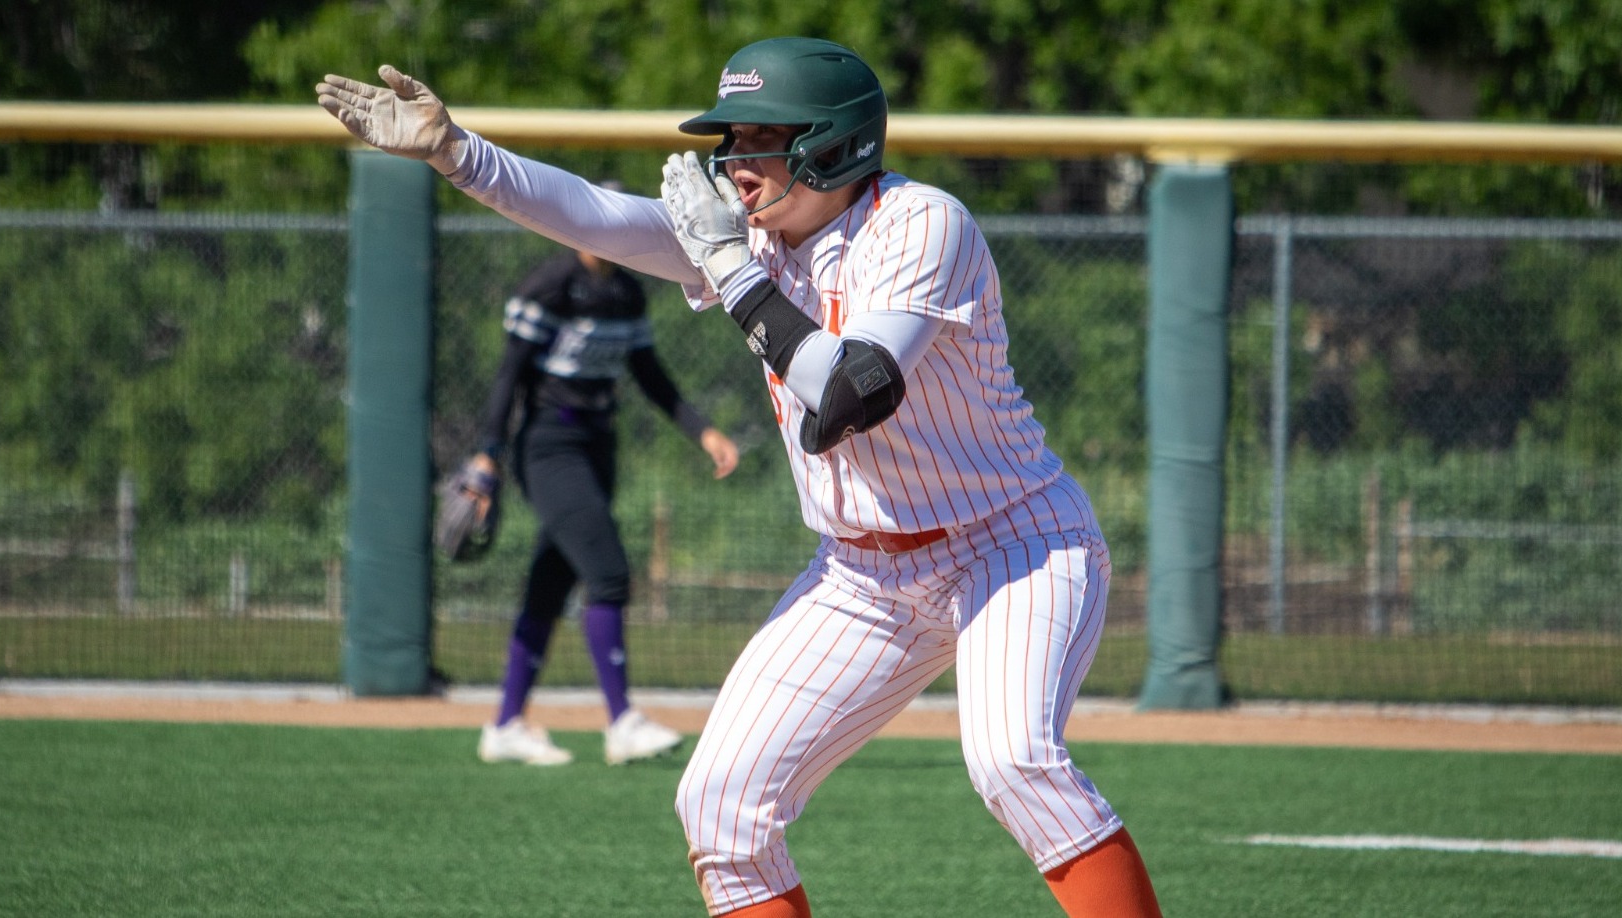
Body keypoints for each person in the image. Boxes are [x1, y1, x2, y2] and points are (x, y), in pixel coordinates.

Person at [318, 36, 1161, 917]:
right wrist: (458, 153)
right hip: (861, 575)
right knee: (719, 806)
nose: (733, 163)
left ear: (830, 146)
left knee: (1013, 761)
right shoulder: (748, 238)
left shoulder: (919, 223)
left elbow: (847, 392)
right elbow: (594, 217)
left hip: (1012, 542)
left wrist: (726, 266)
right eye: (730, 140)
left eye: (759, 139)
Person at [470, 234, 741, 767]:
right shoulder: (550, 286)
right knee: (608, 573)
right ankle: (621, 722)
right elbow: (509, 375)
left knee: (551, 583)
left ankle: (504, 725)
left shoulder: (626, 293)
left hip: (598, 446)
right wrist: (487, 457)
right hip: (549, 445)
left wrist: (702, 430)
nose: (613, 240)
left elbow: (649, 373)